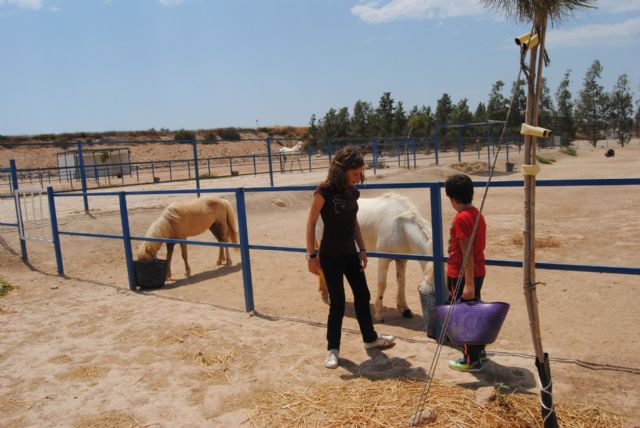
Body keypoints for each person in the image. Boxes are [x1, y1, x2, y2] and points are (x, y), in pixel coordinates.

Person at [306, 147, 396, 369]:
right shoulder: (323, 192)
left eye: (360, 174)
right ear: (342, 170)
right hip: (329, 256)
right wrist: (311, 255)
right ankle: (332, 350)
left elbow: (354, 222)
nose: (359, 178)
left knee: (362, 295)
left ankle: (370, 338)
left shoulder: (353, 193)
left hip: (350, 254)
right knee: (337, 302)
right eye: (355, 174)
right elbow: (310, 224)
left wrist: (362, 249)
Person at [444, 173, 488, 372]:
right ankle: (479, 350)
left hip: (461, 274)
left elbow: (466, 251)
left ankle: (471, 359)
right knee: (474, 310)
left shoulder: (461, 219)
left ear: (453, 199)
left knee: (464, 316)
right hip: (478, 271)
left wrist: (468, 284)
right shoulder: (476, 214)